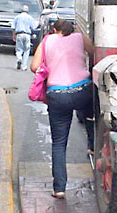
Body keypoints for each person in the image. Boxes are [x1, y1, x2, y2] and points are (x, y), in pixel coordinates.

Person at [29, 19, 95, 199]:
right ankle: (92, 144)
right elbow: (94, 53)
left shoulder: (47, 41)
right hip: (82, 89)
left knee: (59, 144)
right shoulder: (80, 38)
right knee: (90, 112)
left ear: (54, 29)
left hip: (57, 94)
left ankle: (59, 188)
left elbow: (34, 67)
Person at [12, 4, 38, 70]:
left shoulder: (17, 17)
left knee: (19, 49)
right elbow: (33, 27)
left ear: (21, 10)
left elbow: (13, 27)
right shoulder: (30, 17)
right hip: (27, 34)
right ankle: (24, 66)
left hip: (19, 34)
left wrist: (14, 35)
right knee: (26, 50)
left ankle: (19, 58)